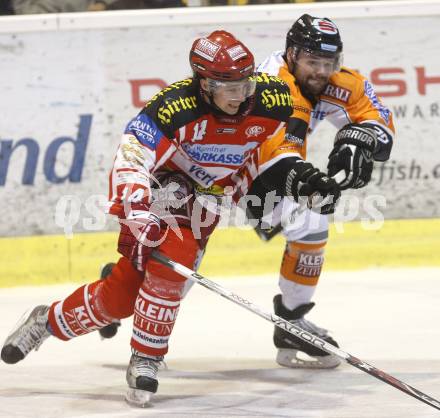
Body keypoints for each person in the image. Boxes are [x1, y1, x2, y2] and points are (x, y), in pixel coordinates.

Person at [1, 30, 341, 407]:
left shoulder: (273, 98)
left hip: (214, 201)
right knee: (173, 265)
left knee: (119, 299)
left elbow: (275, 150)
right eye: (227, 87)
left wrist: (299, 178)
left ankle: (45, 321)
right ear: (203, 83)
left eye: (245, 84)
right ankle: (146, 358)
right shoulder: (173, 107)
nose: (239, 95)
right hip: (167, 190)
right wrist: (137, 209)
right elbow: (132, 155)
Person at [246, 14, 395, 369]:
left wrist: (364, 137)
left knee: (312, 218)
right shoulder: (274, 86)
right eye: (313, 61)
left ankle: (292, 322)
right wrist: (304, 178)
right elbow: (275, 154)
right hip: (217, 170)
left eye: (329, 63)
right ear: (292, 55)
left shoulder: (336, 82)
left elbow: (378, 120)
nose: (321, 71)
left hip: (266, 171)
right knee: (181, 259)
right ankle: (123, 292)